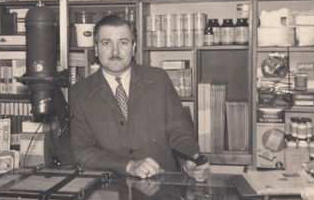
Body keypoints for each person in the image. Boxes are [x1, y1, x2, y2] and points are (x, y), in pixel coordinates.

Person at [69, 15, 209, 181]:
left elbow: (179, 131)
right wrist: (128, 166)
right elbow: (82, 151)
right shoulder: (80, 92)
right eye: (106, 43)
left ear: (134, 47)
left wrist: (190, 158)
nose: (115, 51)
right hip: (111, 187)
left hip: (163, 187)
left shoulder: (158, 79)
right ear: (96, 48)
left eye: (123, 42)